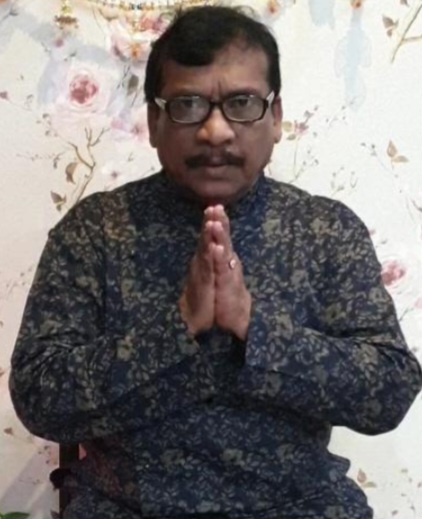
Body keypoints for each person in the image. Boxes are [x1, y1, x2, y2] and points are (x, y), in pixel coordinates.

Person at [9, 5, 422, 519]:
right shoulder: (96, 231)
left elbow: (389, 392)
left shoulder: (325, 229)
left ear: (276, 118)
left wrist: (253, 326)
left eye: (242, 103)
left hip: (299, 506)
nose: (216, 131)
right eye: (188, 105)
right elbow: (40, 400)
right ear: (154, 122)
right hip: (129, 507)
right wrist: (179, 326)